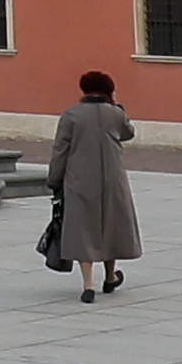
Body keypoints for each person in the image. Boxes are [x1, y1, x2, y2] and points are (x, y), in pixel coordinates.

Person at [50, 70, 144, 302]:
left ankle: (88, 284)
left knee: (83, 228)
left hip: (79, 178)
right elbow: (128, 133)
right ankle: (110, 276)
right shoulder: (115, 114)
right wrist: (117, 105)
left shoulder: (72, 115)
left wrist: (54, 179)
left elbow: (61, 150)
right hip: (113, 178)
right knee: (111, 225)